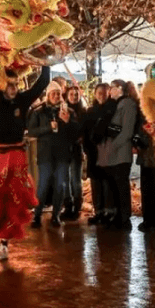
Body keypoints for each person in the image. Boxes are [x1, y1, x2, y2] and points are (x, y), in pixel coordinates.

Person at [0, 66, 50, 259]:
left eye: (16, 84)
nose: (14, 88)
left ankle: (4, 243)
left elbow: (43, 82)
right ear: (1, 84)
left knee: (14, 200)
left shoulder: (22, 100)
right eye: (10, 84)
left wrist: (45, 60)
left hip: (17, 154)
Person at [27, 80, 79, 229]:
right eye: (53, 93)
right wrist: (48, 127)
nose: (56, 96)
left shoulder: (68, 111)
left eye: (58, 93)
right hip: (45, 155)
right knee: (43, 186)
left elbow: (76, 133)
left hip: (63, 155)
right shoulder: (38, 111)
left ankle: (56, 214)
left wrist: (68, 122)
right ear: (48, 95)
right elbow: (32, 131)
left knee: (60, 185)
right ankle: (37, 215)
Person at [96, 79, 138, 230]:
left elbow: (127, 131)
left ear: (119, 89)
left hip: (121, 153)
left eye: (112, 88)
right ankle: (119, 216)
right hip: (116, 154)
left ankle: (125, 219)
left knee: (121, 187)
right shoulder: (119, 105)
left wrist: (112, 147)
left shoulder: (127, 104)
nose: (109, 91)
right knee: (116, 186)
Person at [83, 83, 112, 224]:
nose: (102, 95)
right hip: (93, 153)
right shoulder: (90, 112)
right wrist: (87, 149)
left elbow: (115, 129)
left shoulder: (112, 110)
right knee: (96, 184)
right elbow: (85, 132)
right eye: (99, 93)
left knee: (107, 183)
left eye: (104, 93)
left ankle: (108, 211)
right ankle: (98, 211)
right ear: (95, 94)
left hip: (107, 152)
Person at [62, 84, 87, 221]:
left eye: (76, 95)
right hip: (64, 149)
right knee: (65, 179)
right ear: (67, 96)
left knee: (75, 179)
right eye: (72, 94)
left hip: (76, 149)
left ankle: (77, 206)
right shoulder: (62, 110)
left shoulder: (83, 111)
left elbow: (82, 131)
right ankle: (68, 206)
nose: (74, 97)